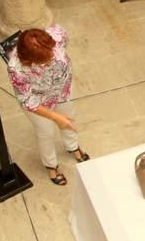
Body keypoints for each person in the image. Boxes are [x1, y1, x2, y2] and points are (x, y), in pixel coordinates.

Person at [7, 26, 89, 185]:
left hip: (64, 93)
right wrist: (55, 117)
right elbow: (28, 100)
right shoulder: (16, 69)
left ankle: (72, 146)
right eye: (45, 60)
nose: (52, 58)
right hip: (39, 104)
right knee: (45, 132)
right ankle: (51, 165)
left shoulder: (58, 35)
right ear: (29, 60)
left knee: (69, 121)